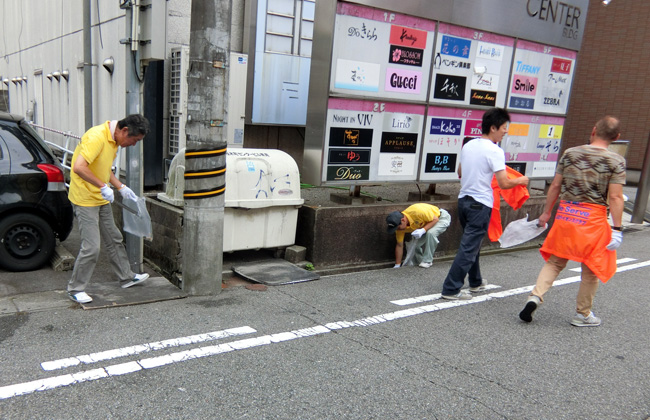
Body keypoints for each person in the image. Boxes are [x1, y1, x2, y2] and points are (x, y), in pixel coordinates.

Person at [519, 116, 625, 326]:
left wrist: (546, 213)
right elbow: (615, 197)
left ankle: (535, 296)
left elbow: (556, 186)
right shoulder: (616, 161)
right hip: (593, 220)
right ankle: (583, 314)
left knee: (555, 262)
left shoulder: (570, 153)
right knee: (590, 269)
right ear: (616, 137)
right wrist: (617, 228)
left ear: (594, 129)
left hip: (567, 214)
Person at [440, 108, 529, 300]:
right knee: (469, 247)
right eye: (504, 128)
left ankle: (475, 281)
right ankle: (451, 288)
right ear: (493, 127)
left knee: (472, 244)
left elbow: (460, 171)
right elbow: (504, 182)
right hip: (480, 204)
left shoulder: (468, 146)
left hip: (463, 200)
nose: (506, 131)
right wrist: (521, 181)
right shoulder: (495, 151)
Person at [67, 114, 151, 304]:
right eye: (134, 140)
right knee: (91, 247)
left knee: (114, 238)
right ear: (125, 131)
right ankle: (75, 288)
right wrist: (103, 186)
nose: (133, 145)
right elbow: (79, 167)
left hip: (100, 197)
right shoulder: (97, 137)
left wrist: (120, 186)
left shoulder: (114, 141)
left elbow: (105, 170)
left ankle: (126, 277)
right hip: (85, 198)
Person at [386, 204, 451, 268]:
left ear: (403, 220)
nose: (397, 229)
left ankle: (427, 261)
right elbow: (399, 245)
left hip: (441, 217)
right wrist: (397, 264)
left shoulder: (417, 212)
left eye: (398, 227)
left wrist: (423, 230)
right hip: (427, 223)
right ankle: (419, 262)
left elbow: (435, 219)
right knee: (415, 245)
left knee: (431, 233)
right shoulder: (399, 228)